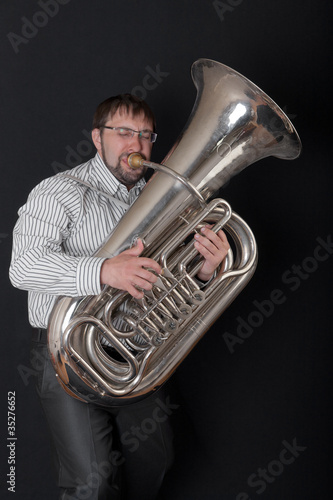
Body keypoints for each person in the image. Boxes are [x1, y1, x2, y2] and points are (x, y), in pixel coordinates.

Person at [9, 94, 230, 500]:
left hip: (135, 351)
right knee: (91, 484)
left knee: (156, 460)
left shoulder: (162, 200)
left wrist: (202, 271)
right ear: (98, 138)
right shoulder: (59, 192)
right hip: (66, 353)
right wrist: (104, 270)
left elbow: (163, 286)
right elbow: (23, 268)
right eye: (124, 132)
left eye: (146, 135)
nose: (137, 144)